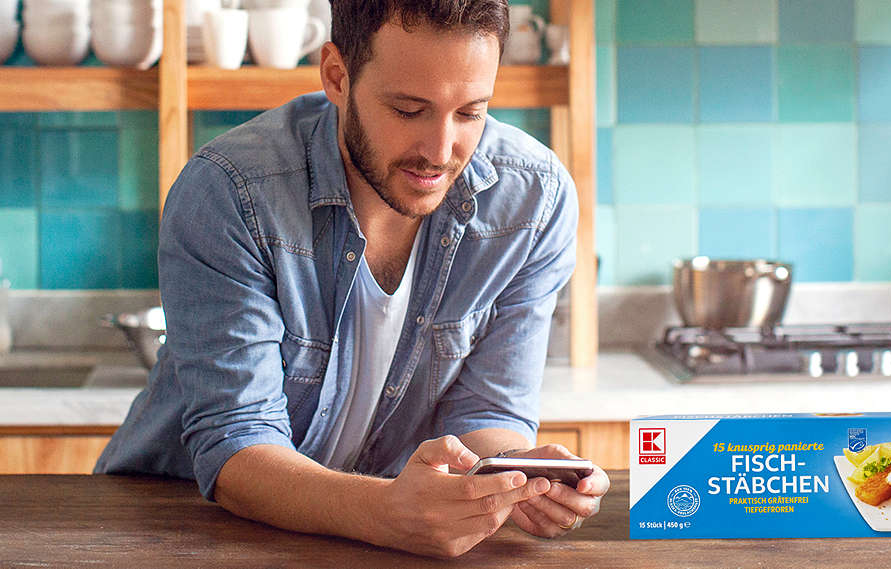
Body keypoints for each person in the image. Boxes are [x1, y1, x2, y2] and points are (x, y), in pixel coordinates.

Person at [94, 0, 609, 558]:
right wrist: (388, 513)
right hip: (181, 526)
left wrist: (515, 480)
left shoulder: (534, 200)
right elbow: (237, 442)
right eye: (409, 109)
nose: (440, 151)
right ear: (337, 76)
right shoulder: (231, 192)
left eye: (470, 113)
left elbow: (488, 413)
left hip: (373, 537)